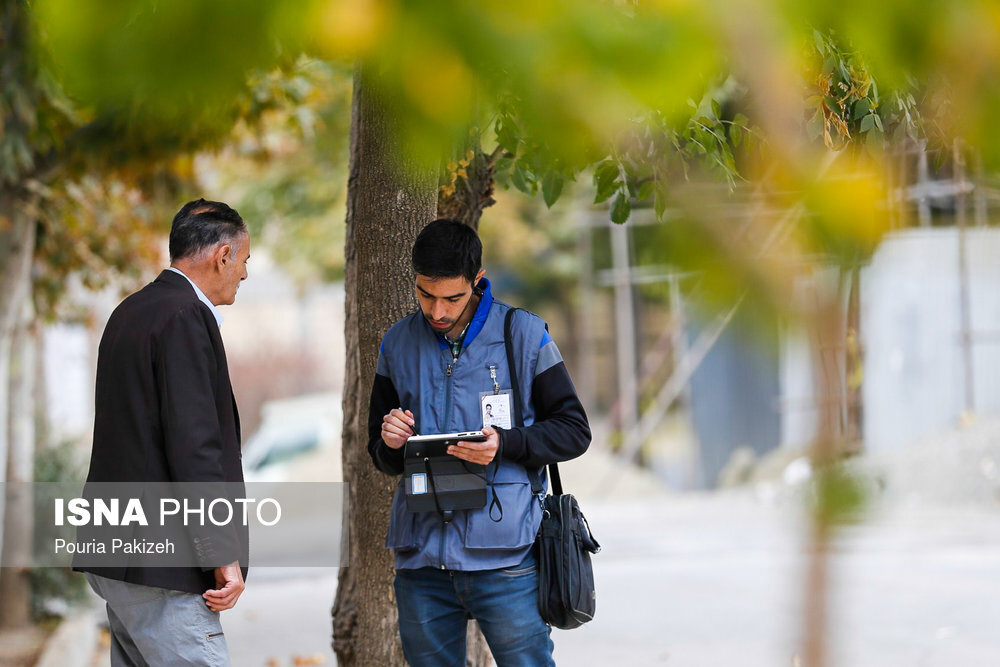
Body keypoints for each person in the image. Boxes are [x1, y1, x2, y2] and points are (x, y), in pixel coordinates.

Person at [368, 219, 591, 666]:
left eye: (451, 297)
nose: (437, 311)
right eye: (425, 294)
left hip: (507, 557)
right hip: (421, 560)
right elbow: (382, 456)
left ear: (477, 280)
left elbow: (574, 429)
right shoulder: (396, 343)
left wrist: (505, 444)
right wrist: (390, 441)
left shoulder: (524, 335)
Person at [74, 199, 251, 666]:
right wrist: (223, 555)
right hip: (164, 563)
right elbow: (195, 447)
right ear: (223, 256)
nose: (245, 275)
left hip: (120, 552)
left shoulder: (129, 312)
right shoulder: (185, 316)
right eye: (245, 262)